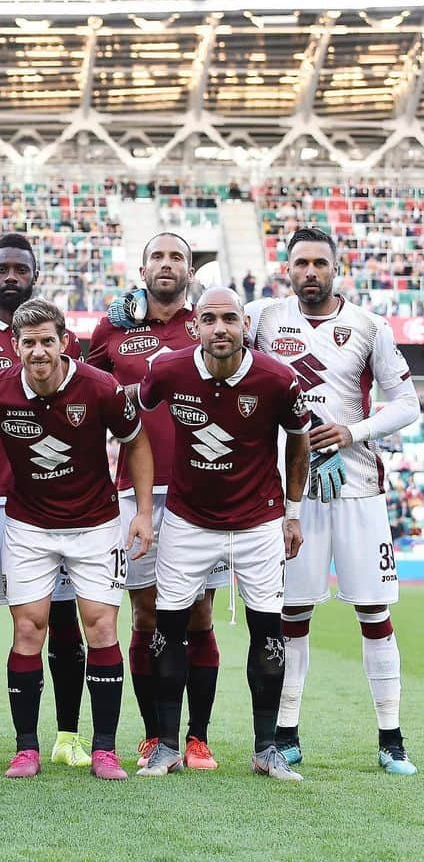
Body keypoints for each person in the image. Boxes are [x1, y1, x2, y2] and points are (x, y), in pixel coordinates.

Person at [0, 298, 155, 780]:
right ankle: (26, 749)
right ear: (14, 346)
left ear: (65, 343)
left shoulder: (99, 388)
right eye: (29, 343)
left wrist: (141, 511)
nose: (38, 351)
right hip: (29, 527)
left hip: (97, 525)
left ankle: (103, 749)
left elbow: (136, 441)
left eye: (47, 341)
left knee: (100, 628)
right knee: (28, 630)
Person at [248, 226, 420, 776]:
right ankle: (287, 734)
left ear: (336, 268)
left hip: (358, 490)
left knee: (374, 612)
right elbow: (203, 325)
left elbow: (407, 404)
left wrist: (354, 431)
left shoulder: (369, 327)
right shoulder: (265, 319)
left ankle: (391, 739)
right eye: (301, 263)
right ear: (288, 269)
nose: (310, 272)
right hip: (291, 495)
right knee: (291, 614)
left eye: (320, 263)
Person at [136, 287, 310, 781]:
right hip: (188, 521)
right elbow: (132, 415)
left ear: (245, 326)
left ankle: (267, 747)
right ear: (195, 326)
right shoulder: (168, 369)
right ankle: (168, 745)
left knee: (268, 630)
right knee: (167, 627)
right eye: (209, 318)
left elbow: (298, 443)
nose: (219, 328)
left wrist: (292, 514)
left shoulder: (277, 379)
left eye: (229, 319)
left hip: (258, 523)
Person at [0, 233, 88, 768]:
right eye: (1, 267)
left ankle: (69, 734)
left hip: (56, 506)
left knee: (62, 622)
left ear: (34, 274)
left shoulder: (61, 341)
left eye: (19, 268)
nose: (10, 275)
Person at [96, 232, 228, 770]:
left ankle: (197, 737)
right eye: (159, 257)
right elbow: (79, 388)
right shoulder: (114, 329)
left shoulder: (210, 326)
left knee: (199, 613)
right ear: (142, 267)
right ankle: (155, 734)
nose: (168, 265)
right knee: (146, 615)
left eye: (178, 257)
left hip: (205, 491)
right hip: (138, 493)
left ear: (191, 270)